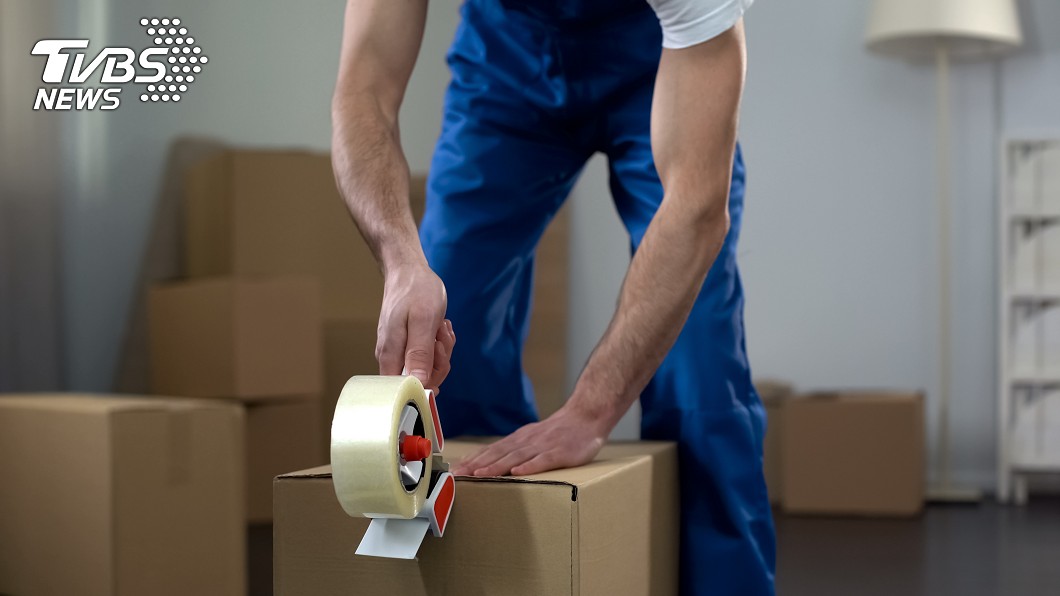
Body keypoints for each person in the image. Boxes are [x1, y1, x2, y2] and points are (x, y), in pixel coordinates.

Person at [331, 0, 774, 593]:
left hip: (658, 62)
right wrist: (400, 259)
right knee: (445, 345)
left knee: (699, 363)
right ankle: (498, 572)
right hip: (505, 65)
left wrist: (590, 412)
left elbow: (695, 210)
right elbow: (363, 93)